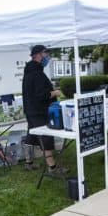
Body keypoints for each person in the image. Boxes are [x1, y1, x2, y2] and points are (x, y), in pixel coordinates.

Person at [21, 45, 66, 176]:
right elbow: (42, 95)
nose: (48, 57)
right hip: (39, 111)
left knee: (31, 135)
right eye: (46, 54)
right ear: (38, 55)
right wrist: (55, 92)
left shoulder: (29, 71)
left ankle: (28, 163)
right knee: (46, 138)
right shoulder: (37, 73)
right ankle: (52, 168)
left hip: (30, 110)